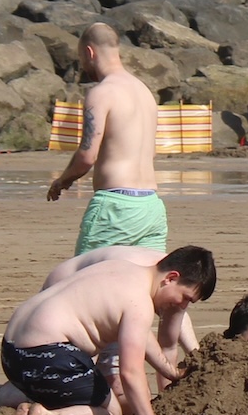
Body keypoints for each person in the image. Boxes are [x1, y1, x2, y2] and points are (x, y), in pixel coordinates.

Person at [0, 244, 217, 415]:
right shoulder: (139, 303)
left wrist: (171, 372)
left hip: (11, 354)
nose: (182, 307)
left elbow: (141, 335)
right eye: (185, 298)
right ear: (171, 278)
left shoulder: (122, 268)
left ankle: (26, 405)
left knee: (74, 387)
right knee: (111, 414)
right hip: (46, 356)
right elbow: (131, 373)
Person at [45, 22, 167, 254]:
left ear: (89, 52)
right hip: (151, 205)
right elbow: (151, 151)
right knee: (142, 283)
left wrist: (62, 180)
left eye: (81, 57)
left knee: (85, 278)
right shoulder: (144, 91)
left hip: (116, 205)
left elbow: (87, 155)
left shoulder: (102, 93)